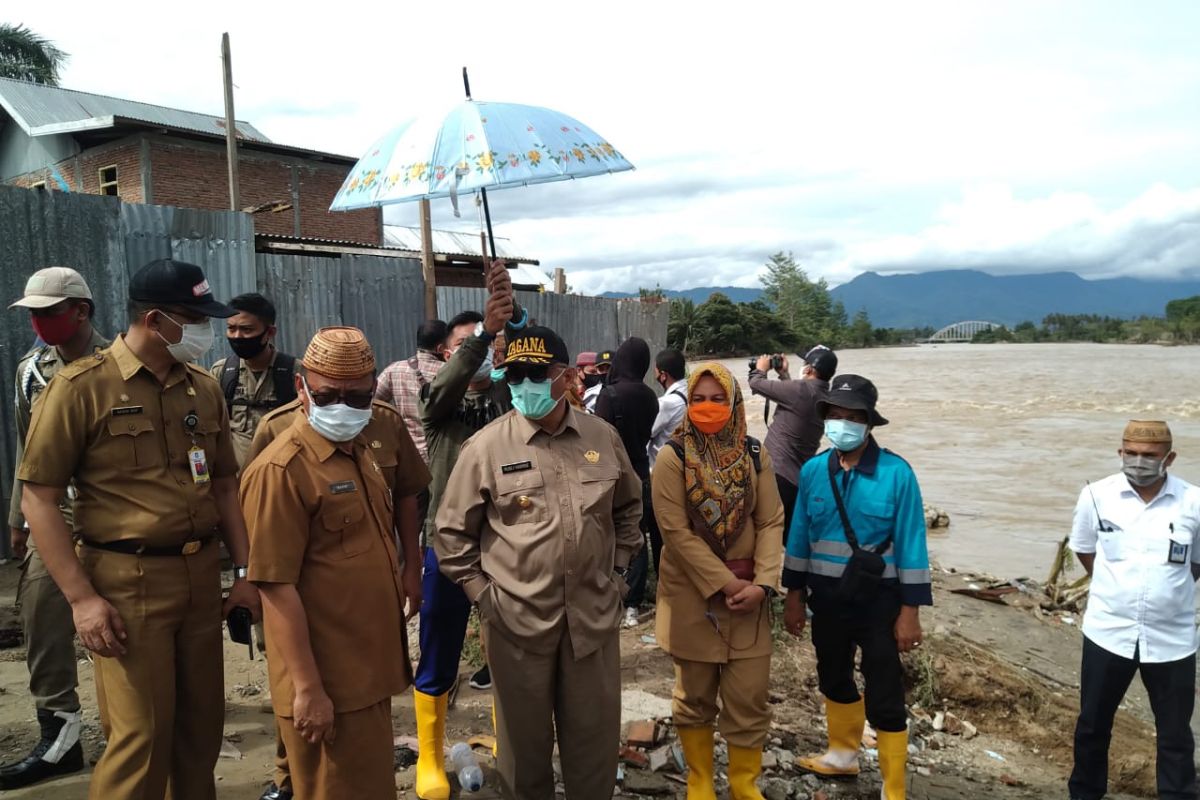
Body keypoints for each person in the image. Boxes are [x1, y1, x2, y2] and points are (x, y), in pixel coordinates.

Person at [17, 258, 260, 800]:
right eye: (195, 318)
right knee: (141, 739)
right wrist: (81, 599)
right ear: (156, 319)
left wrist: (245, 572)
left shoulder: (202, 387)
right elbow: (39, 499)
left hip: (200, 578)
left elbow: (224, 487)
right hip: (127, 583)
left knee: (200, 734)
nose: (206, 331)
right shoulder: (80, 387)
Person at [435, 324, 643, 800]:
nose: (523, 383)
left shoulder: (601, 436)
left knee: (592, 749)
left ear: (565, 376)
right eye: (515, 373)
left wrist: (617, 575)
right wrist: (484, 598)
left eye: (535, 372)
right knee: (523, 757)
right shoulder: (486, 447)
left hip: (591, 621)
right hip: (517, 627)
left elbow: (630, 507)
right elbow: (451, 534)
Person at [238, 327, 429, 800]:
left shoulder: (358, 450)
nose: (343, 408)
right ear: (302, 388)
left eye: (357, 397)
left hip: (364, 669)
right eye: (328, 396)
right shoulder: (282, 470)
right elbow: (275, 587)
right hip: (328, 678)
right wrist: (308, 690)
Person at [783, 375, 930, 800]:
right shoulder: (813, 471)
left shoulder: (896, 474)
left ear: (869, 423)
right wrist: (794, 597)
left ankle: (894, 786)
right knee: (832, 674)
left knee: (884, 687)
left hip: (880, 601)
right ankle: (843, 756)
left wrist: (910, 612)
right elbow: (799, 537)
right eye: (835, 416)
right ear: (825, 419)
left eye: (852, 417)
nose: (842, 424)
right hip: (826, 598)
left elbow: (912, 543)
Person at [652, 362, 784, 800]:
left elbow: (770, 521)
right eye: (699, 399)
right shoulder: (673, 457)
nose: (708, 407)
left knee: (750, 695)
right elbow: (674, 531)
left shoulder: (752, 454)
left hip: (751, 598)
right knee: (694, 697)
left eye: (718, 398)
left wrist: (764, 584)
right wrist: (726, 584)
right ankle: (700, 783)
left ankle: (745, 785)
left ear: (735, 402)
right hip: (693, 596)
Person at [1, 267, 109, 790]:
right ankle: (60, 734)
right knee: (43, 612)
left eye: (49, 312)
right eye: (34, 315)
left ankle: (135, 724)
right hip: (54, 512)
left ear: (81, 311)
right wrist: (17, 517)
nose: (40, 323)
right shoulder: (31, 370)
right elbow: (28, 450)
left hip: (115, 511)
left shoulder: (119, 365)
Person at [413, 264, 516, 800]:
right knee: (439, 648)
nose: (471, 354)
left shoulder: (508, 403)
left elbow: (531, 376)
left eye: (482, 343)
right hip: (448, 548)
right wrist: (481, 337)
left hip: (505, 547)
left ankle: (508, 742)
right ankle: (429, 757)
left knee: (507, 648)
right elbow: (448, 385)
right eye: (460, 347)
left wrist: (509, 323)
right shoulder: (438, 407)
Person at [1067, 420, 1200, 800]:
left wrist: (1166, 595)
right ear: (1120, 452)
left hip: (1172, 639)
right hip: (1108, 632)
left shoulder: (1193, 502)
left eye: (1149, 456)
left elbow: (1197, 562)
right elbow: (1085, 549)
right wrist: (1117, 590)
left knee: (1175, 735)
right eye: (1131, 454)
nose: (1138, 463)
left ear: (1169, 458)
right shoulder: (1096, 496)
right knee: (1092, 726)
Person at [595, 338, 660, 627]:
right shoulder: (651, 395)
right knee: (637, 534)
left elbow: (598, 436)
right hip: (641, 469)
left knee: (606, 534)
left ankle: (608, 596)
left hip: (611, 472)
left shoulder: (609, 394)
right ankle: (633, 605)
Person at [749, 345, 836, 541]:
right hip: (796, 481)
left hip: (776, 476)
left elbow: (755, 383)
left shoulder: (801, 390)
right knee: (788, 541)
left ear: (810, 369)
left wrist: (761, 368)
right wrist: (784, 375)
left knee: (760, 538)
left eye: (805, 363)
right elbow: (793, 401)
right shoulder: (825, 397)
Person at [210, 293, 297, 469]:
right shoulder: (221, 373)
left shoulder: (295, 372)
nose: (237, 336)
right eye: (231, 328)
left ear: (270, 332)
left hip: (282, 479)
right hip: (236, 486)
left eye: (247, 330)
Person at [375, 319, 449, 462]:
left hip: (408, 457)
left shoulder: (394, 370)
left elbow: (370, 402)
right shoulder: (447, 372)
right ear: (440, 348)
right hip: (440, 456)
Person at [582, 348, 613, 412]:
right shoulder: (590, 394)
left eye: (609, 368)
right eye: (601, 369)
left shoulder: (625, 391)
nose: (605, 372)